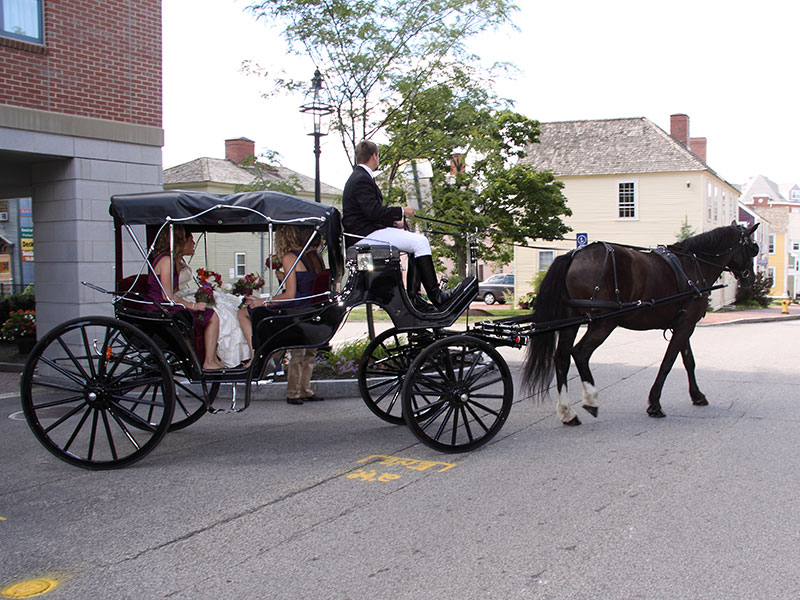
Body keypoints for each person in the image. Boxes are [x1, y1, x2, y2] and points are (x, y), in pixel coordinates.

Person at [341, 139, 452, 308]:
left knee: (414, 244)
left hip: (365, 233)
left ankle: (415, 297)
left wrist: (395, 223)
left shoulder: (358, 177)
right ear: (374, 156)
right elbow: (372, 212)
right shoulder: (361, 179)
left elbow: (369, 213)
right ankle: (436, 296)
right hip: (363, 236)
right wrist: (402, 211)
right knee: (421, 242)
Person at [237, 226, 326, 405]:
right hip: (313, 306)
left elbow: (290, 294)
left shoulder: (290, 257)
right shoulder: (315, 257)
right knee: (308, 351)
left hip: (297, 306)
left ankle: (291, 389)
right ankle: (305, 389)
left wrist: (264, 301)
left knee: (244, 312)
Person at [144, 225, 225, 370]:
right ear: (179, 242)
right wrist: (192, 305)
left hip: (163, 305)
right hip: (160, 308)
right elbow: (167, 295)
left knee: (210, 313)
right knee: (212, 316)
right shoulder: (166, 261)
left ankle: (211, 359)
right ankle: (209, 361)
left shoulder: (168, 260)